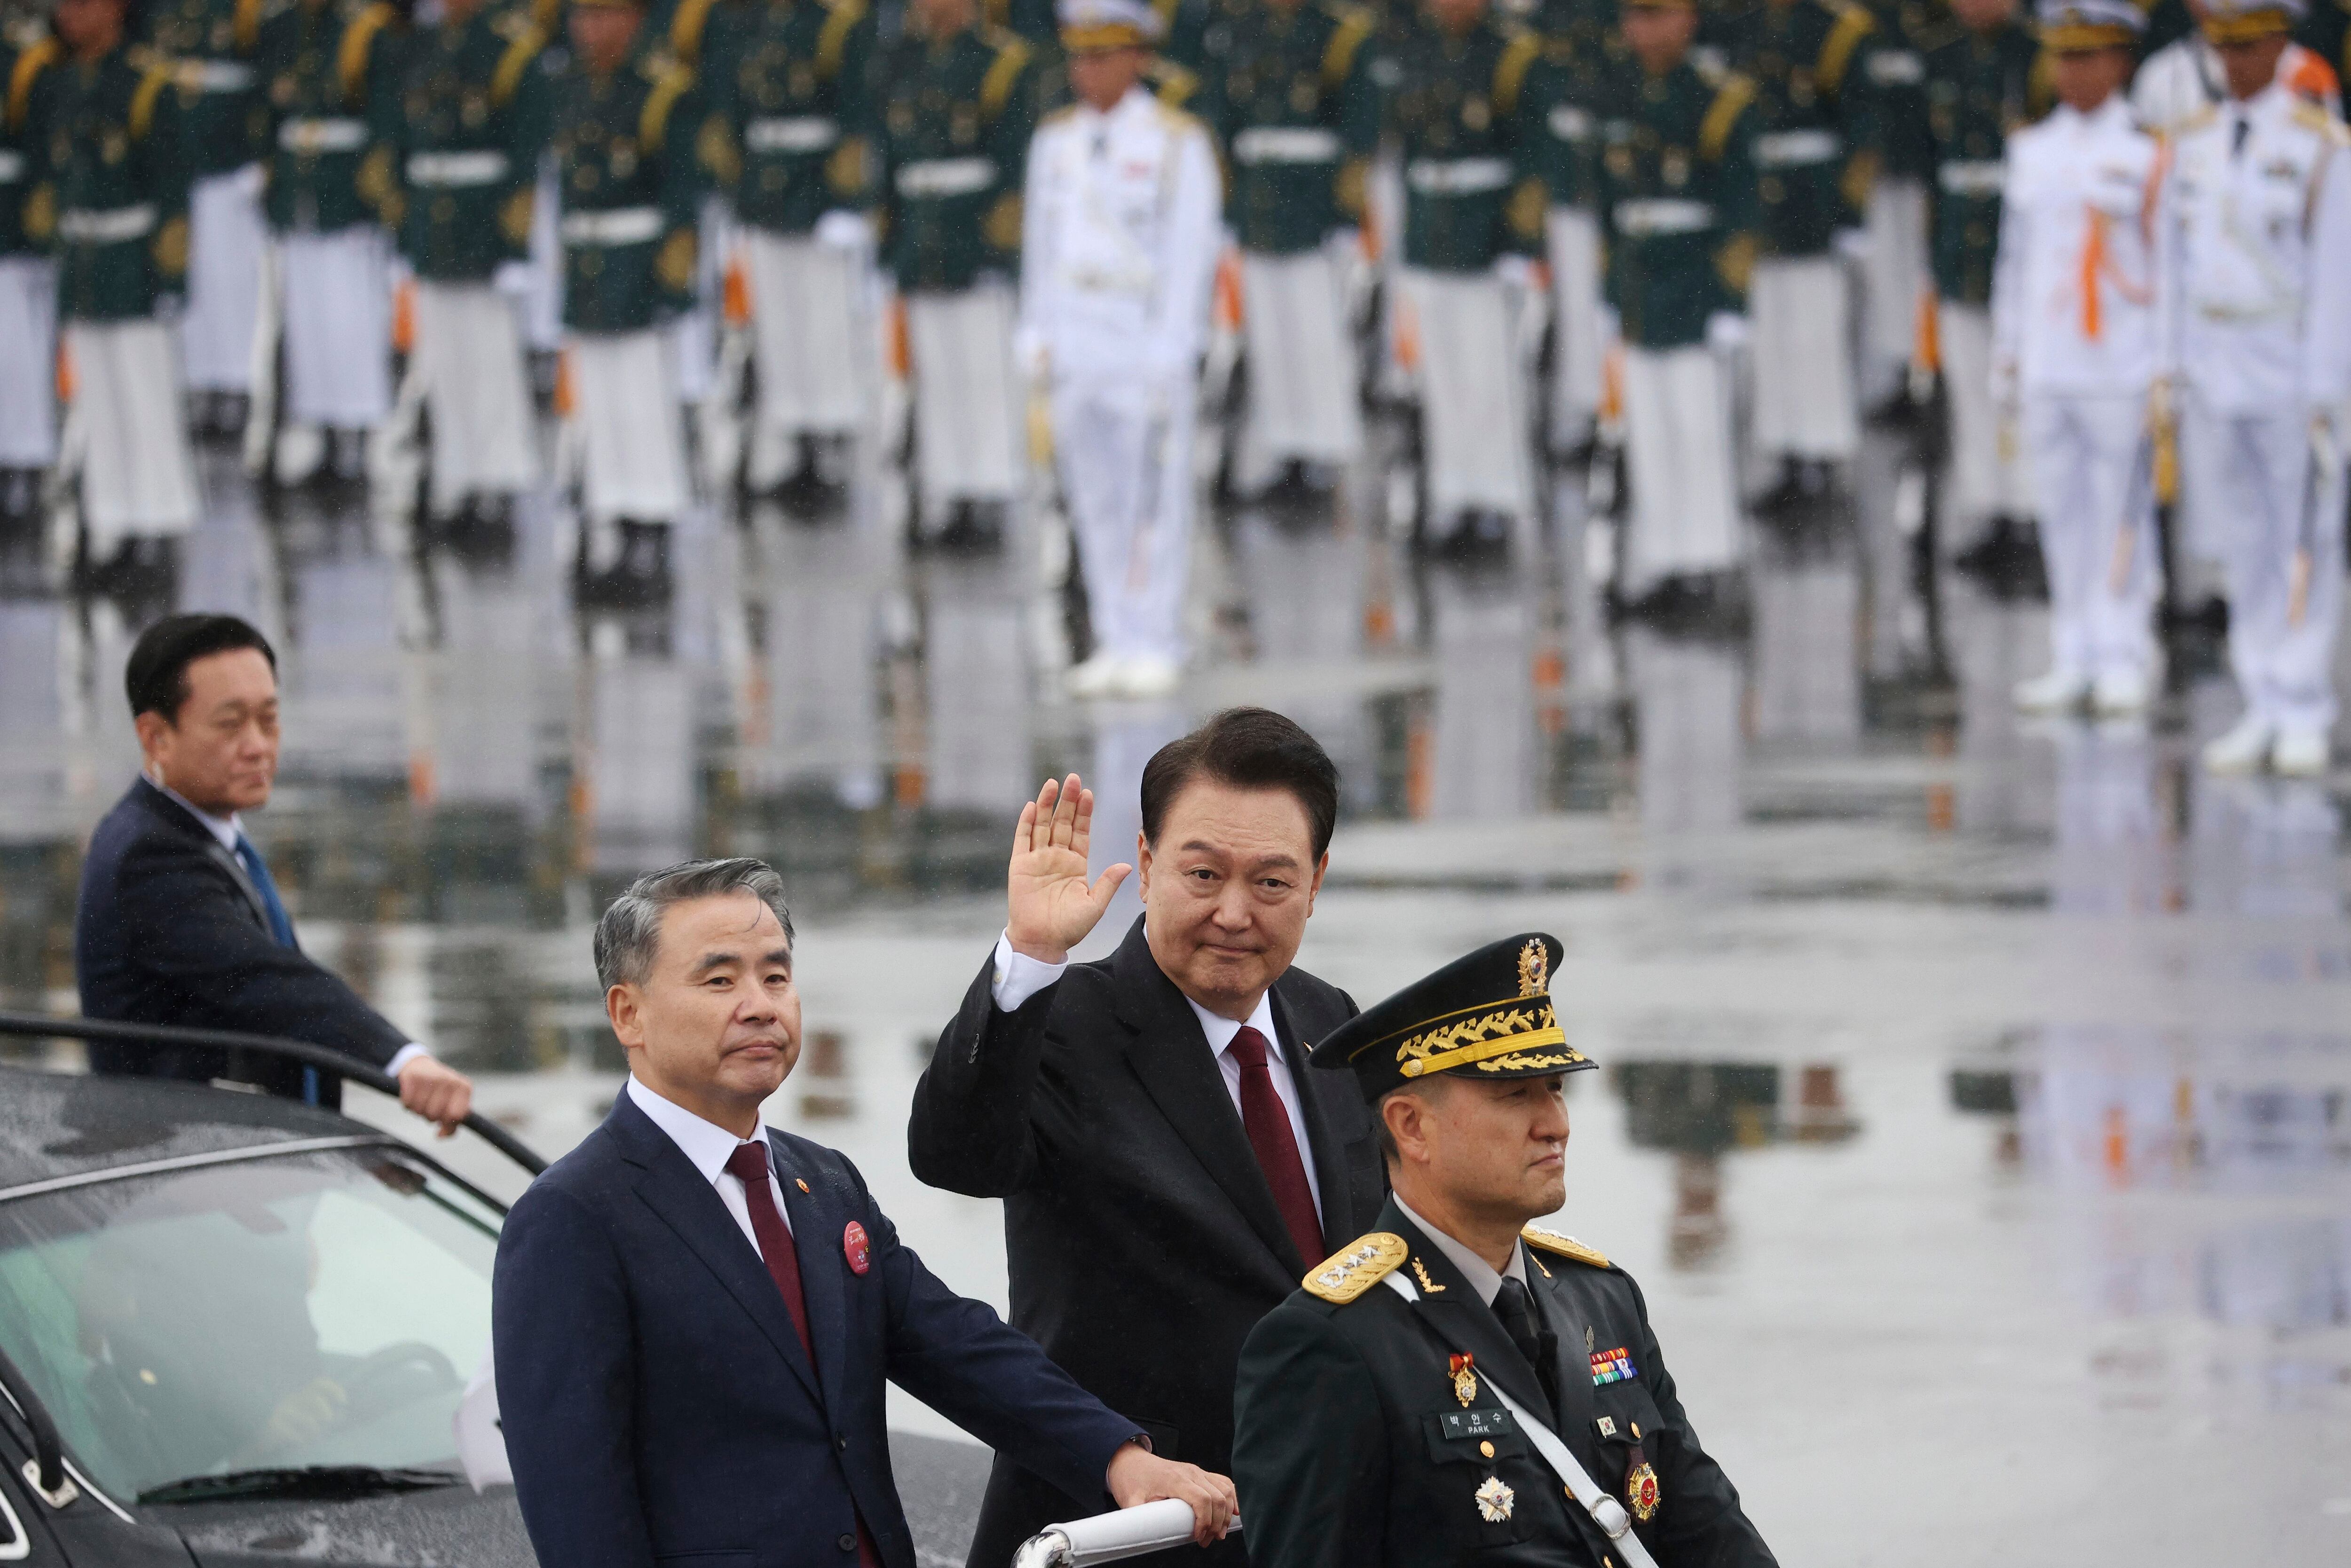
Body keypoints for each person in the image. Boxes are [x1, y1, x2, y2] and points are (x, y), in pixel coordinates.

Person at [495, 858, 1236, 1568]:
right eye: (720, 979)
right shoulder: (573, 1218)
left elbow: (957, 1346)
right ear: (628, 1013)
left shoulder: (824, 1182)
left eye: (776, 974)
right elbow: (578, 1506)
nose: (760, 1003)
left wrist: (1122, 1458)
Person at [908, 708, 1385, 1568]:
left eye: (1271, 883)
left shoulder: (1333, 1023)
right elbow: (957, 1154)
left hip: (1316, 1529)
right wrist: (1027, 958)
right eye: (1203, 875)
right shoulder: (1061, 1027)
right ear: (1151, 861)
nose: (1234, 913)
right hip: (1126, 1534)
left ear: (1316, 881)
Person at [1231, 933, 1778, 1568]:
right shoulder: (1331, 1341)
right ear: (1412, 1126)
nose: (1555, 1122)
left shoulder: (1602, 1297)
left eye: (1556, 1089)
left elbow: (1706, 1528)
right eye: (1516, 1094)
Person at [73, 613, 476, 1128]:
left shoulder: (203, 832)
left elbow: (281, 1010)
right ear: (155, 736)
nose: (258, 745)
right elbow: (269, 983)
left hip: (242, 1151)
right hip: (176, 1170)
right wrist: (401, 1059)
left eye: (268, 719)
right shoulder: (147, 858)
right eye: (230, 723)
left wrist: (348, 1149)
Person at [2166, 0, 2351, 776]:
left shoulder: (2320, 146)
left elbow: (2337, 277)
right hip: (2217, 364)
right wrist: (2176, 369)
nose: (2235, 63)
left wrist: (2327, 390)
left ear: (2279, 45)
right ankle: (2261, 694)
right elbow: (2180, 266)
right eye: (2223, 48)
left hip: (2291, 364)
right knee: (2245, 541)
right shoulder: (2193, 143)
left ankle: (2304, 700)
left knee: (2304, 540)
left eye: (2250, 47)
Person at [1021, 0, 1220, 700]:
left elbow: (1191, 254)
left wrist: (1176, 347)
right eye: (1079, 55)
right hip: (1077, 336)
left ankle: (1157, 634)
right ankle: (1113, 633)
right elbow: (1042, 251)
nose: (1089, 70)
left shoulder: (1175, 142)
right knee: (1094, 495)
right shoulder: (1055, 143)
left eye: (1103, 55)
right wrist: (1036, 334)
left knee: (1154, 500)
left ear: (1138, 57)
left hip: (1141, 338)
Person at [1991, 0, 2167, 717]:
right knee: (2062, 513)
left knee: (2121, 516)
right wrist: (2008, 352)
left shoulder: (2149, 150)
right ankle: (2074, 648)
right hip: (2051, 360)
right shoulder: (2032, 149)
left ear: (2119, 62)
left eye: (2085, 57)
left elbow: (2167, 267)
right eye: (2061, 57)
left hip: (2121, 362)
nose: (2070, 72)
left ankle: (2124, 648)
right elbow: (2015, 260)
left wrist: (2165, 363)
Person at [21, 0, 204, 594]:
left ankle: (158, 526)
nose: (69, 15)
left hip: (134, 260)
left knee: (145, 397)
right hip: (86, 260)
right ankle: (113, 524)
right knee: (97, 400)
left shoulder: (147, 84)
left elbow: (173, 187)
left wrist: (171, 278)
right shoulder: (60, 81)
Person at [1598, 0, 1762, 624]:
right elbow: (1613, 207)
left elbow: (1744, 206)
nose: (1644, 30)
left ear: (1687, 20)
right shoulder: (1622, 95)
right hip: (1643, 285)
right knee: (1652, 432)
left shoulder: (1718, 99)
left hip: (1696, 284)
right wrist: (1609, 295)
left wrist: (1730, 299)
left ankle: (1709, 564)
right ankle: (1666, 563)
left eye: (1657, 15)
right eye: (1635, 16)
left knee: (1698, 430)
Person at [871, 0, 1040, 552]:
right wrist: (889, 233)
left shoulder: (1001, 63)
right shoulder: (900, 59)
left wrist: (1001, 239)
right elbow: (892, 153)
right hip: (922, 230)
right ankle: (946, 487)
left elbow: (1014, 157)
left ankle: (988, 490)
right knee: (937, 368)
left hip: (974, 231)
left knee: (982, 366)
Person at [551, 0, 702, 601]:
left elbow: (681, 192)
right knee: (601, 401)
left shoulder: (662, 91)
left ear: (635, 20)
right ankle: (610, 518)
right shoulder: (573, 86)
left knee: (642, 399)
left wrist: (670, 279)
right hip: (591, 263)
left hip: (636, 266)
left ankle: (652, 528)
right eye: (584, 16)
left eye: (605, 15)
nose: (592, 29)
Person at [1198, 0, 1376, 507]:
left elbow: (1359, 122)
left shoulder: (1338, 36)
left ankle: (1323, 453)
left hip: (1311, 202)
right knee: (1271, 336)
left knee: (1316, 332)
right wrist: (1230, 201)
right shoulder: (1237, 28)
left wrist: (1343, 209)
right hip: (1260, 199)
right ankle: (1284, 449)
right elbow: (1222, 115)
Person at [381, 0, 548, 532]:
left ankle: (497, 483)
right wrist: (405, 233)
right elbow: (405, 144)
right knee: (444, 362)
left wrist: (515, 246)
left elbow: (524, 153)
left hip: (482, 228)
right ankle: (458, 477)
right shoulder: (421, 48)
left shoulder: (507, 52)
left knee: (490, 363)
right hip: (434, 223)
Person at [1384, 0, 1542, 560]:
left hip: (1485, 233)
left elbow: (1531, 152)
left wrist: (1520, 244)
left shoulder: (1511, 56)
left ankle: (1495, 502)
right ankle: (1453, 496)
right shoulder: (1419, 50)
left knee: (1489, 376)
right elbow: (1407, 147)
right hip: (1434, 230)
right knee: (1443, 376)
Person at [1713, 0, 1876, 519]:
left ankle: (1821, 459)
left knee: (1813, 333)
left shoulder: (1835, 30)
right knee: (1772, 337)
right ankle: (1784, 455)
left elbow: (1860, 124)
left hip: (1812, 200)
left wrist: (1850, 210)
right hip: (1760, 201)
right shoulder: (1737, 23)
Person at [714, 0, 878, 507]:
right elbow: (735, 110)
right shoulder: (747, 22)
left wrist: (847, 200)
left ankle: (829, 444)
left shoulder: (834, 27)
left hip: (816, 190)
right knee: (780, 325)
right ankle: (796, 442)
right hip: (767, 189)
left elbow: (856, 110)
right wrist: (739, 192)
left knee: (823, 322)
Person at [252, 0, 406, 490]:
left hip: (345, 192)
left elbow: (385, 113)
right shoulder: (284, 28)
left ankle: (355, 435)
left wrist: (376, 186)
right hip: (301, 189)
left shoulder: (366, 32)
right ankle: (318, 427)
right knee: (307, 322)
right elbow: (271, 111)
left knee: (350, 320)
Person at [1922, 0, 2043, 573]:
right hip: (1957, 245)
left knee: (2020, 386)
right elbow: (1929, 158)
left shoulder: (2037, 57)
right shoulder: (1940, 56)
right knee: (1971, 388)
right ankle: (1990, 508)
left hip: (2012, 243)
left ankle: (2031, 513)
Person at [142, 0, 266, 443]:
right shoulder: (154, 11)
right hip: (177, 166)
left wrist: (259, 157)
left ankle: (235, 386)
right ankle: (195, 384)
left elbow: (264, 80)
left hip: (228, 167)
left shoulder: (243, 11)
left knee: (232, 282)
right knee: (187, 278)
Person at [1515, 0, 1615, 462]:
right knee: (1576, 308)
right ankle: (1583, 414)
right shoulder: (1543, 19)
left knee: (1621, 312)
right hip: (1566, 186)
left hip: (1623, 189)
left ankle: (1620, 422)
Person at [0, 20, 59, 526]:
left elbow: (42, 147)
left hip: (10, 230)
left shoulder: (28, 63)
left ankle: (22, 466)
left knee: (16, 357)